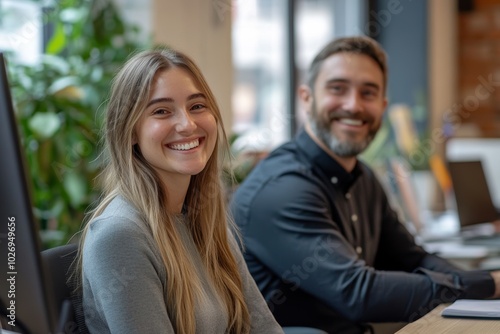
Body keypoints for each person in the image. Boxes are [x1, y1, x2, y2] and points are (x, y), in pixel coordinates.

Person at [230, 36, 500, 334]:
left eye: (368, 93)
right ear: (306, 98)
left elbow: (413, 258)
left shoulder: (364, 178)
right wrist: (486, 283)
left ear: (382, 106)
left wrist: (484, 289)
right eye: (337, 88)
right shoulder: (282, 188)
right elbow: (358, 293)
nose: (353, 105)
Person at [75, 47, 284, 333]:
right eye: (161, 111)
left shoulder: (205, 218)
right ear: (131, 132)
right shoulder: (120, 235)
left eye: (197, 106)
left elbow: (262, 328)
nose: (187, 124)